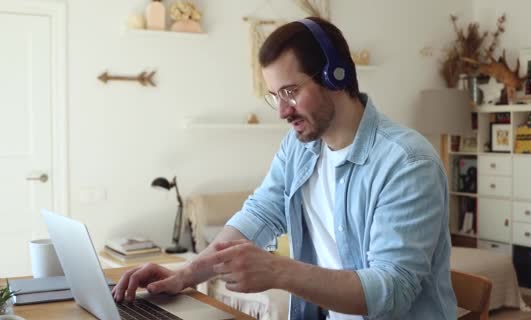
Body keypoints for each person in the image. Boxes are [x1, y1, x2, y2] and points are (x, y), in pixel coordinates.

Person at [113, 17, 456, 320]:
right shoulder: (300, 146)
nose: (282, 111)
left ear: (335, 76)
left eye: (291, 91)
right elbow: (260, 213)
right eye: (275, 95)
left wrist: (278, 270)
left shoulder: (407, 163)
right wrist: (185, 274)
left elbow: (392, 292)